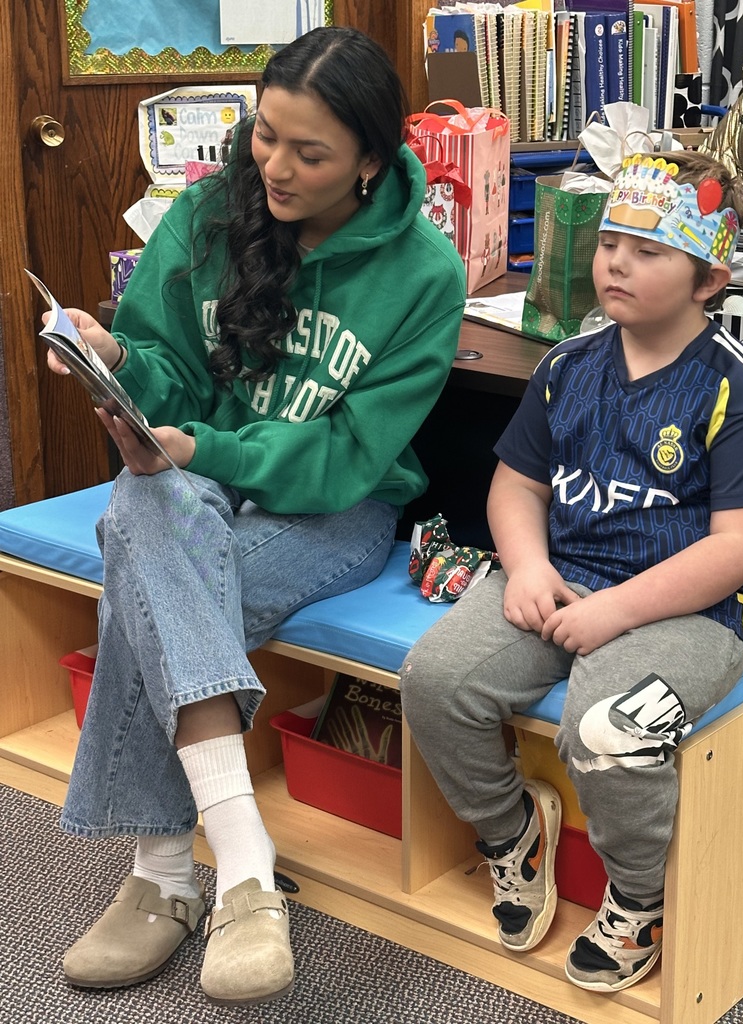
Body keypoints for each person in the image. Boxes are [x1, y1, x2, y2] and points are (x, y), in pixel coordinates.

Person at [47, 26, 466, 1006]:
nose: (274, 165)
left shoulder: (424, 275)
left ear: (370, 159)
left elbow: (346, 456)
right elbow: (168, 378)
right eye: (266, 137)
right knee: (152, 512)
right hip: (186, 475)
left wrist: (204, 450)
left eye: (308, 152)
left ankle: (163, 876)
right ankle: (241, 875)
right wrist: (117, 365)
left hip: (335, 504)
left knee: (146, 564)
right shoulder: (204, 215)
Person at [400, 150, 743, 992]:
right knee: (434, 679)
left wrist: (615, 613)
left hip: (694, 614)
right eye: (611, 239)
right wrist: (528, 566)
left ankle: (638, 900)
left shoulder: (738, 387)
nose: (616, 260)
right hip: (562, 573)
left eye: (648, 251)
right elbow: (515, 484)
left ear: (707, 280)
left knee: (608, 726)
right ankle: (511, 836)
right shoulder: (567, 366)